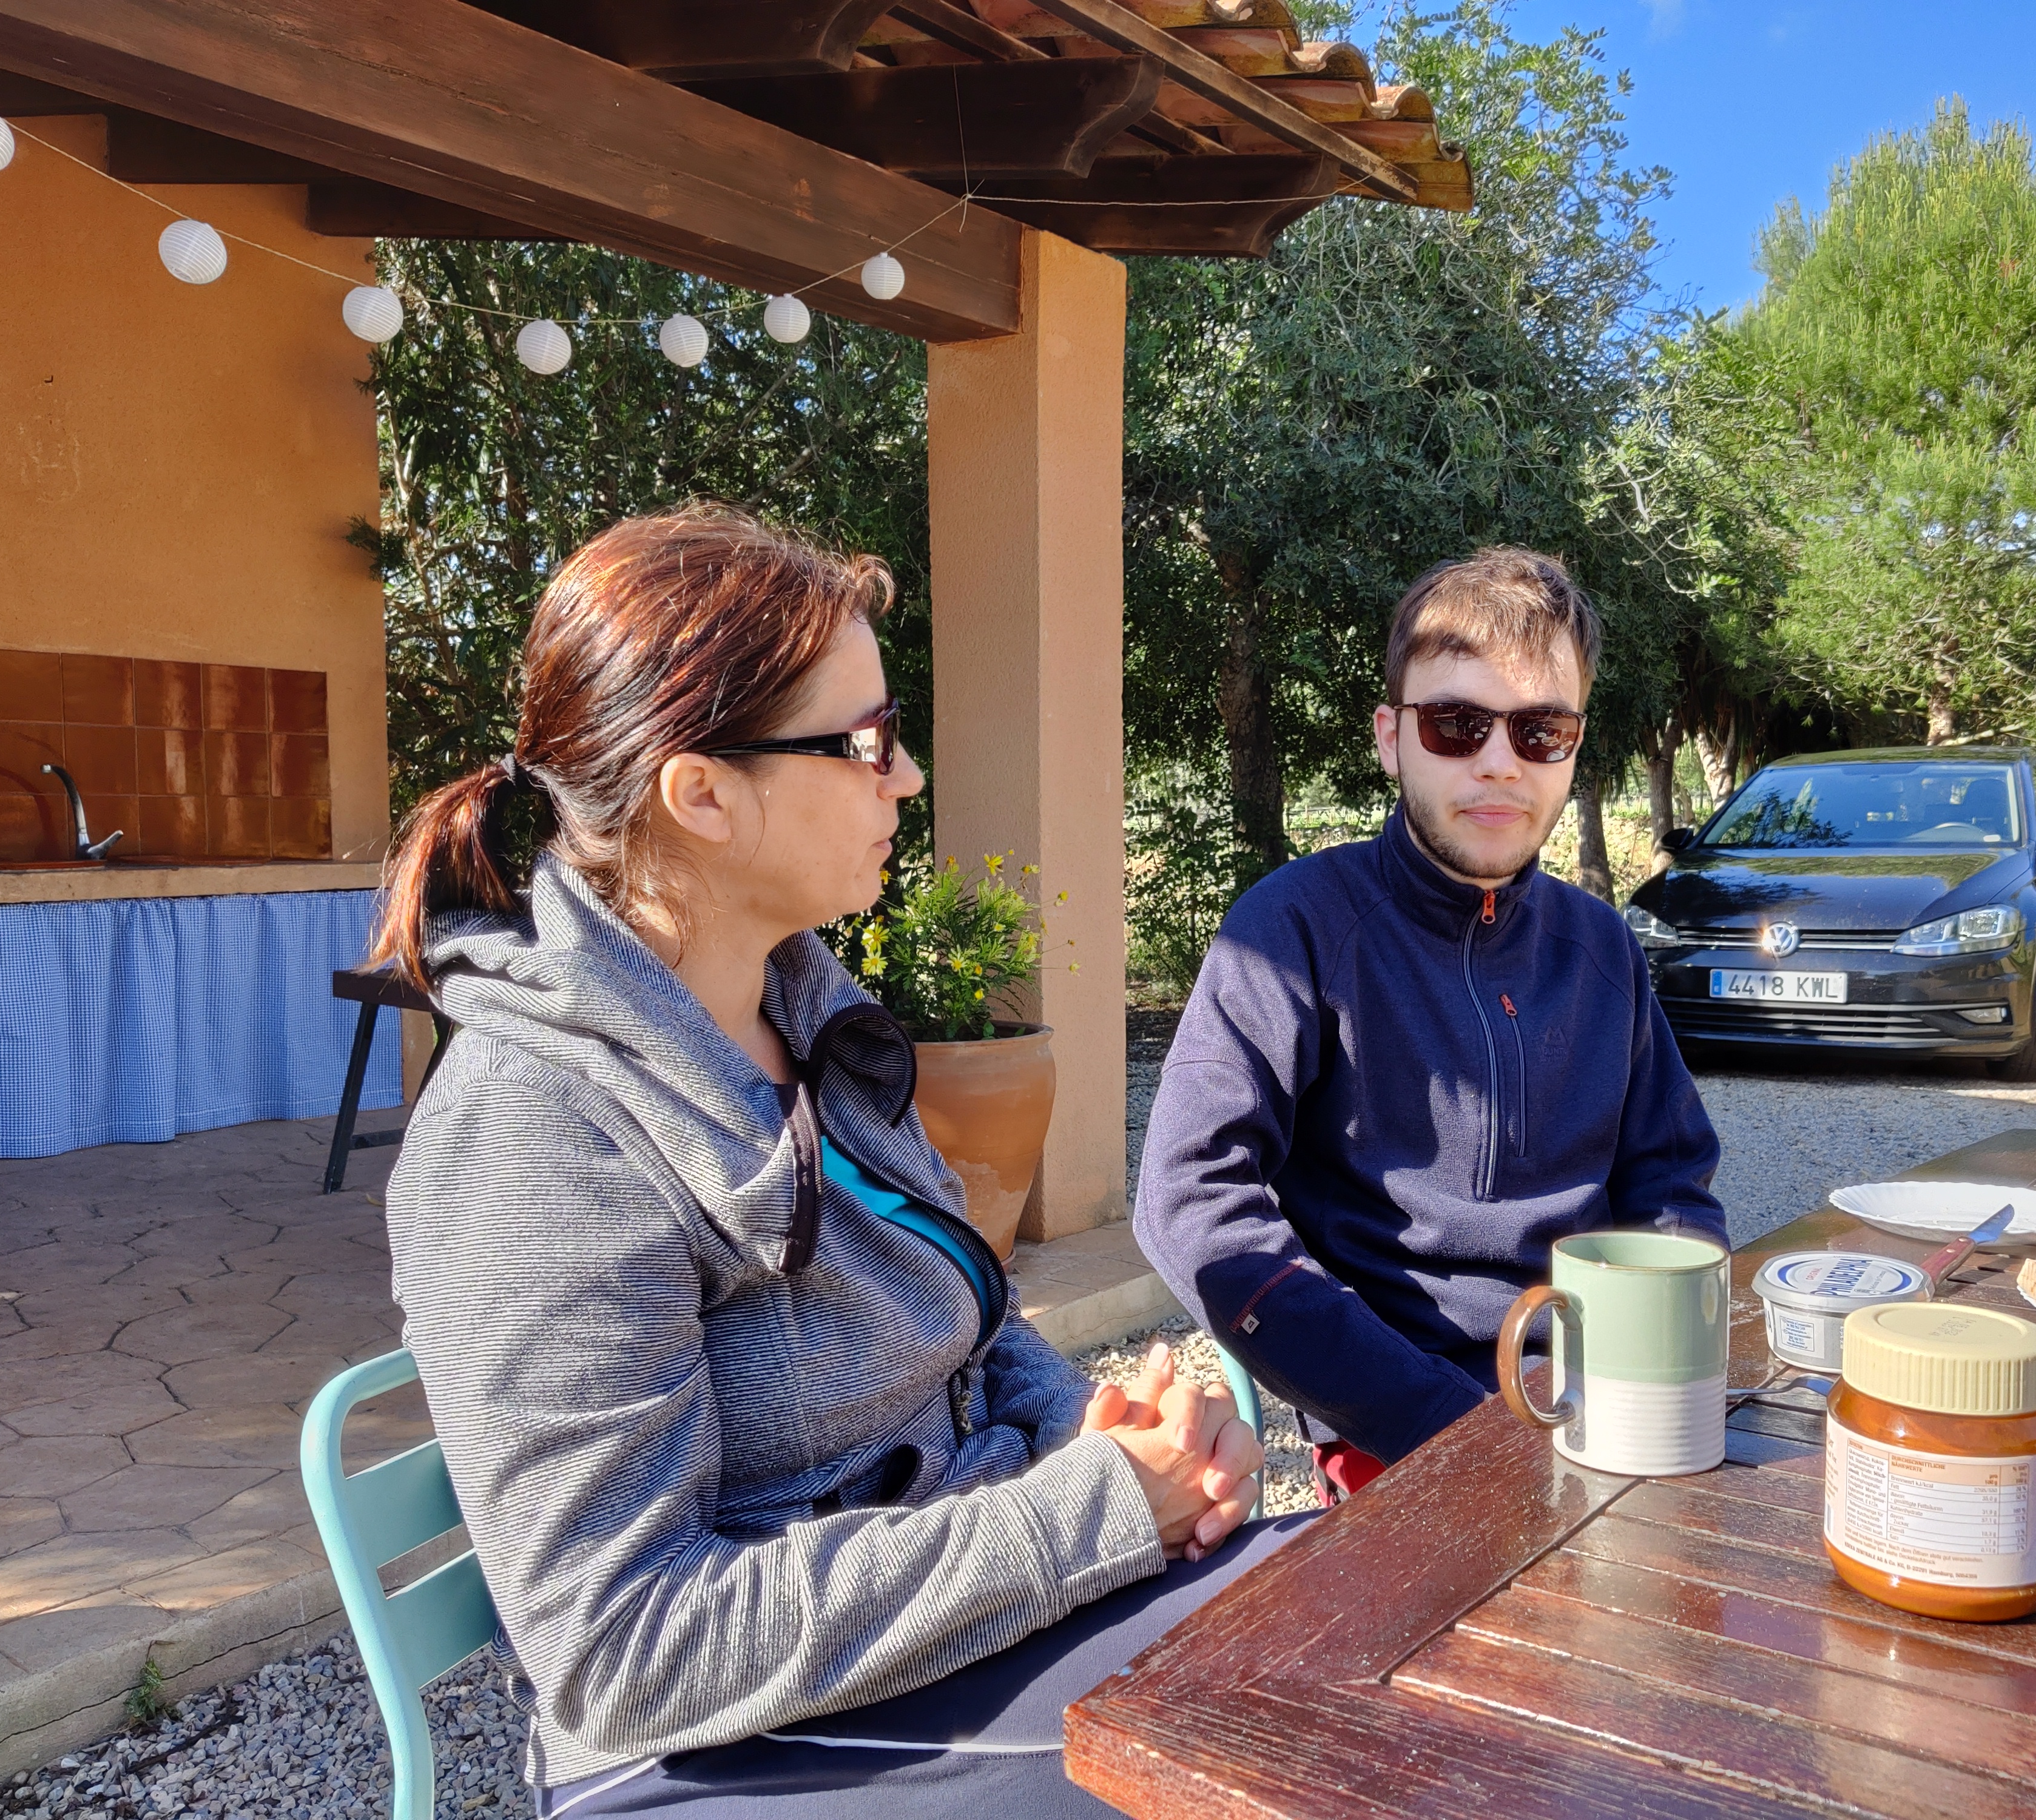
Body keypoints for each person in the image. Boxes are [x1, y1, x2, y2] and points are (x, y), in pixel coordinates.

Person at [372, 505, 1272, 1818]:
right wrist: (1089, 1518)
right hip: (718, 1759)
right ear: (701, 795)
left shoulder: (803, 1016)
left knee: (1339, 1640)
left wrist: (1087, 1440)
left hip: (923, 1649)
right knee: (1291, 1733)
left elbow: (962, 1331)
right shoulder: (534, 1130)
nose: (905, 776)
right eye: (866, 741)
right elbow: (624, 1651)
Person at [1134, 547, 1727, 1502]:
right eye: (1457, 724)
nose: (1499, 760)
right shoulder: (1292, 932)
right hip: (1401, 1429)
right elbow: (1189, 1196)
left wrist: (1658, 1358)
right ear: (1391, 738)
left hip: (1603, 1400)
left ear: (1575, 749)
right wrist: (1438, 1421)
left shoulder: (1601, 946)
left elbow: (1672, 1183)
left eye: (1541, 730)